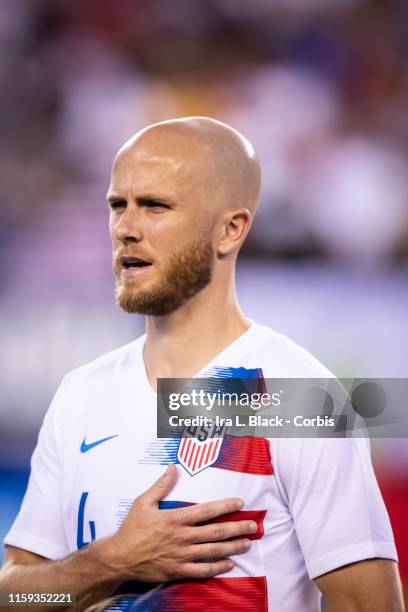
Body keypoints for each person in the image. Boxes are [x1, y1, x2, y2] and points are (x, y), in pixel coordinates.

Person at [1, 117, 404, 611]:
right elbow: (15, 595)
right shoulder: (82, 393)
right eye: (116, 206)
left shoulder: (294, 395)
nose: (125, 228)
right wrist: (109, 563)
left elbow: (369, 605)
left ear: (230, 230)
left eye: (155, 206)